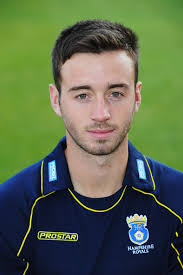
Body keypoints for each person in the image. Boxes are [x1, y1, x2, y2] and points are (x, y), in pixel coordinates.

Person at [0, 19, 183, 275]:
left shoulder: (178, 201)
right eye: (82, 95)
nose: (101, 113)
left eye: (116, 93)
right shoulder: (11, 207)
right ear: (56, 99)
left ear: (137, 96)